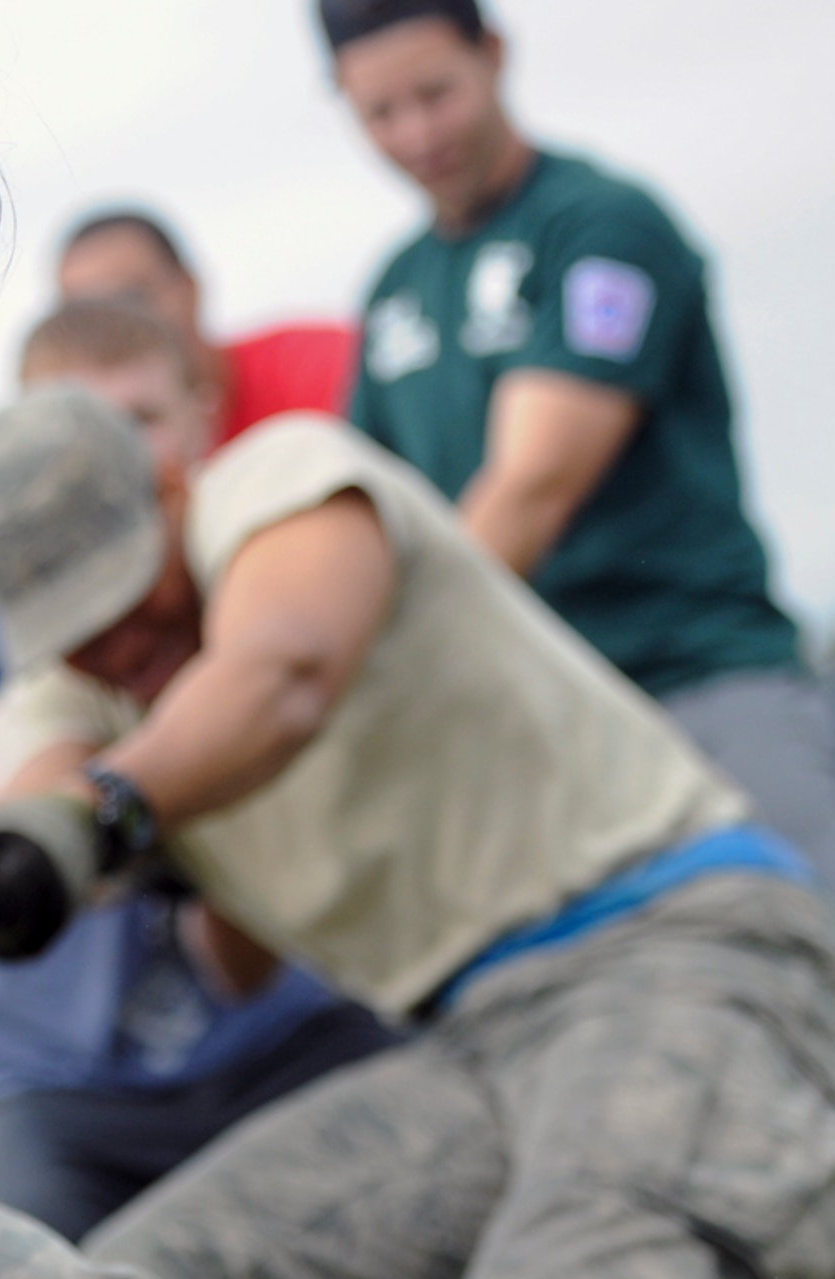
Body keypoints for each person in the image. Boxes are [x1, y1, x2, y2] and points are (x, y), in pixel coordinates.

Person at [0, 384, 835, 1279]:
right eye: (78, 629)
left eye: (123, 588)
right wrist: (32, 851)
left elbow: (283, 673)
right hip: (476, 1042)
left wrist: (107, 809)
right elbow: (60, 811)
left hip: (684, 956)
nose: (117, 641)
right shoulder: (83, 699)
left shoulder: (281, 484)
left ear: (170, 490)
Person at [0, 301, 395, 1244]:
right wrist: (130, 799)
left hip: (281, 1043)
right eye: (73, 427)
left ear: (193, 433)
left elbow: (237, 965)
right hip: (53, 1087)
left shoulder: (279, 589)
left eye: (135, 424)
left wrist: (215, 774)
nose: (98, 459)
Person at [323, 0, 835, 883]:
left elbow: (536, 485)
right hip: (539, 729)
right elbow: (367, 515)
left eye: (436, 94)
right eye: (381, 112)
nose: (416, 133)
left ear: (493, 54)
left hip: (698, 678)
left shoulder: (601, 226)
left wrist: (393, 681)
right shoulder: (396, 292)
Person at [54, 209, 356, 449]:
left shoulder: (319, 364)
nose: (113, 325)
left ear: (189, 288)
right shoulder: (79, 449)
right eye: (83, 315)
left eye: (131, 299)